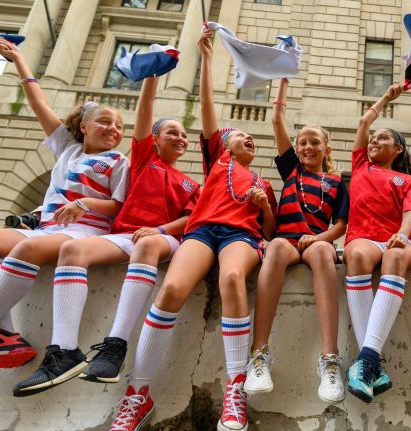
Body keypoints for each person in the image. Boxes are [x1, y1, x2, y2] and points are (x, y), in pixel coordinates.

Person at [107, 27, 277, 431]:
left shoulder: (262, 182)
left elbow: (269, 228)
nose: (248, 138)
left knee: (233, 278)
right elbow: (207, 107)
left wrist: (265, 205)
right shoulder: (218, 158)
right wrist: (205, 61)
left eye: (253, 139)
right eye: (241, 135)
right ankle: (138, 393)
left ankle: (236, 391)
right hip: (201, 232)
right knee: (170, 290)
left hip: (241, 237)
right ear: (225, 142)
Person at [11, 74, 200, 397]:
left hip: (160, 239)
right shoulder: (142, 161)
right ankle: (63, 351)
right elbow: (145, 110)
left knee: (147, 243)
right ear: (153, 140)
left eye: (185, 135)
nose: (181, 138)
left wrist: (158, 229)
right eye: (173, 132)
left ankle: (115, 346)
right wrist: (152, 77)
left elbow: (190, 219)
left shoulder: (190, 184)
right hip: (124, 236)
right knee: (73, 251)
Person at [0, 38, 129, 374]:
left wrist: (87, 204)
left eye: (119, 126)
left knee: (27, 250)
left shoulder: (119, 161)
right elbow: (38, 103)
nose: (113, 129)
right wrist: (19, 60)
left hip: (83, 233)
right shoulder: (67, 147)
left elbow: (118, 207)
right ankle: (2, 334)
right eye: (105, 122)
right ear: (84, 126)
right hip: (47, 230)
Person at [245, 78, 349, 403]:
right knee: (274, 247)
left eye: (314, 142)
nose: (306, 147)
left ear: (326, 148)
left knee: (322, 254)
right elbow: (276, 120)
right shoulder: (292, 171)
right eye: (302, 142)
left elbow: (341, 224)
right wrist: (283, 79)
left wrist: (320, 237)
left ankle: (329, 359)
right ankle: (259, 354)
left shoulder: (336, 181)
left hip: (316, 239)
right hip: (286, 240)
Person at [344, 83, 411, 403]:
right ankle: (372, 363)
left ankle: (366, 360)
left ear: (399, 150)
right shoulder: (360, 165)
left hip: (398, 241)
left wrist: (402, 236)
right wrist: (385, 99)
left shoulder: (408, 180)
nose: (375, 140)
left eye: (384, 138)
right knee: (358, 256)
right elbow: (364, 124)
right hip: (363, 238)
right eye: (374, 139)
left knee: (393, 257)